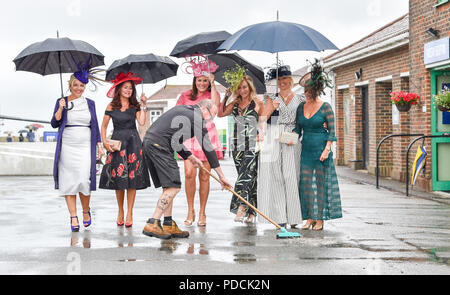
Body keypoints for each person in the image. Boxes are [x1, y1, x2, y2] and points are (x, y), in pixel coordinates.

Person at [142, 99, 232, 239]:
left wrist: (190, 157)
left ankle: (168, 224)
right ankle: (153, 222)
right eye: (211, 116)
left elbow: (175, 141)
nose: (210, 121)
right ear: (203, 109)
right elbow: (208, 148)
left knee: (168, 186)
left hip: (152, 142)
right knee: (173, 186)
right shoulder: (196, 116)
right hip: (159, 145)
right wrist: (221, 176)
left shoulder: (186, 111)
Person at [50, 61, 104, 232]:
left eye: (81, 85)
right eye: (75, 85)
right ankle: (73, 216)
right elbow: (54, 123)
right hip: (67, 145)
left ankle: (86, 211)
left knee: (83, 179)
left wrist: (99, 144)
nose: (79, 88)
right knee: (69, 182)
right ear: (70, 85)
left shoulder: (90, 103)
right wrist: (60, 109)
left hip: (84, 144)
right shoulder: (62, 101)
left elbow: (94, 124)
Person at [293, 60, 342, 231]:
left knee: (320, 184)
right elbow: (297, 128)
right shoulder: (300, 107)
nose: (307, 93)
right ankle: (309, 218)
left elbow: (332, 131)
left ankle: (320, 219)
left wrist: (327, 149)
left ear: (316, 90)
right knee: (306, 184)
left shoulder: (326, 107)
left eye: (310, 90)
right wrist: (287, 136)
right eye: (305, 90)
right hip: (306, 149)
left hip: (321, 148)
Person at [99, 72, 151, 227]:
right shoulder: (111, 106)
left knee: (132, 180)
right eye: (125, 87)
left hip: (134, 142)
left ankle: (130, 212)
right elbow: (103, 126)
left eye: (130, 88)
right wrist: (104, 142)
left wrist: (143, 104)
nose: (128, 90)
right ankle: (120, 210)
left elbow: (141, 123)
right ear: (119, 89)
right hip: (117, 143)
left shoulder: (135, 105)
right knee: (119, 178)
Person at [176, 58, 223, 227]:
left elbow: (216, 109)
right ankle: (190, 210)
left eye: (205, 80)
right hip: (189, 136)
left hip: (207, 134)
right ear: (194, 81)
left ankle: (202, 211)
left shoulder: (212, 94)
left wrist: (214, 83)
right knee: (189, 173)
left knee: (205, 175)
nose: (202, 83)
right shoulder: (185, 96)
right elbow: (177, 114)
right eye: (199, 80)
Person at [257, 65, 304, 228]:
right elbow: (263, 119)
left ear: (290, 80)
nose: (283, 82)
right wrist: (272, 108)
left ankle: (295, 217)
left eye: (285, 79)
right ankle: (280, 217)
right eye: (280, 79)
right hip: (274, 134)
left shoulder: (300, 98)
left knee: (292, 176)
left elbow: (303, 119)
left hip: (292, 136)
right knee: (276, 176)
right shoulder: (271, 98)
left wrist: (297, 134)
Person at [218, 75, 264, 223]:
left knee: (245, 176)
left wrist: (261, 132)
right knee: (248, 178)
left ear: (249, 87)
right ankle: (252, 212)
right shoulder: (235, 103)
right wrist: (225, 97)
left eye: (244, 87)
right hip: (237, 144)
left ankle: (242, 207)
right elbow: (220, 113)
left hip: (252, 143)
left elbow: (263, 120)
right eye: (239, 87)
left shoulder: (257, 102)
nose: (242, 90)